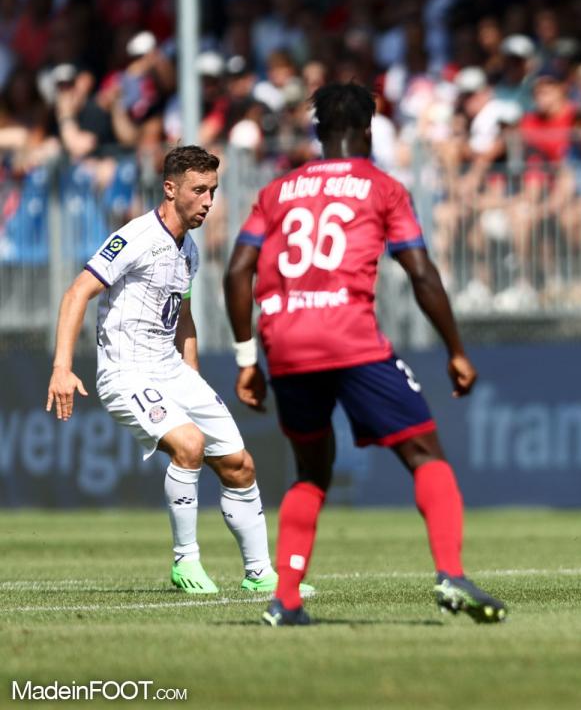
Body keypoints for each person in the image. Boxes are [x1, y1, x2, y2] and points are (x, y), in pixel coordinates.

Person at [224, 82, 506, 626]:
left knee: (310, 470)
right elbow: (420, 272)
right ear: (369, 131)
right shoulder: (383, 189)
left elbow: (237, 271)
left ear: (317, 132)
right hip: (350, 337)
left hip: (284, 341)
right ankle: (450, 572)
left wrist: (244, 359)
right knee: (425, 454)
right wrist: (455, 349)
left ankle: (285, 600)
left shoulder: (277, 191)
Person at [45, 145, 297, 597]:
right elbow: (77, 292)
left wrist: (193, 377)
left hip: (171, 370)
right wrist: (62, 367)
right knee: (190, 445)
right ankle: (186, 562)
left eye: (213, 191)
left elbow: (181, 315)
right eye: (199, 190)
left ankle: (260, 574)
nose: (208, 201)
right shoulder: (136, 237)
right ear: (170, 188)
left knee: (240, 465)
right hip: (126, 373)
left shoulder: (189, 251)